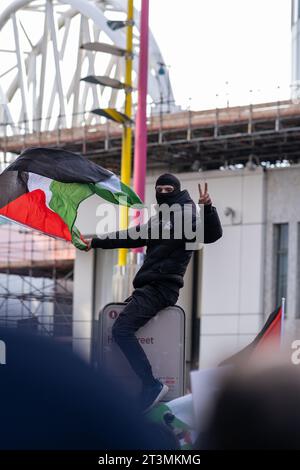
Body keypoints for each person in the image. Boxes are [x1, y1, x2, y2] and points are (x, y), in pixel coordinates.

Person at [87, 173, 222, 411]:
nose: (163, 193)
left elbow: (211, 235)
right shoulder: (161, 218)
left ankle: (151, 385)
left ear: (177, 191)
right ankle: (139, 386)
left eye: (168, 189)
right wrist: (95, 242)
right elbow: (131, 236)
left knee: (121, 330)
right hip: (149, 287)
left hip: (161, 287)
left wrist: (208, 208)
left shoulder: (187, 215)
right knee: (119, 327)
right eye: (159, 189)